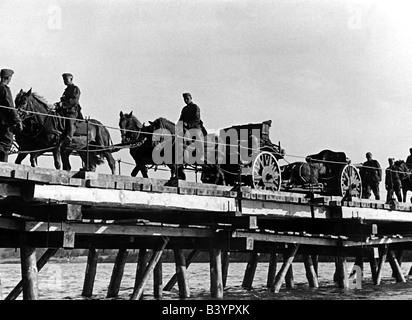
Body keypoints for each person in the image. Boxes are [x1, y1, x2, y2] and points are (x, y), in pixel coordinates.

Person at [0, 69, 23, 162]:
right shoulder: (5, 89)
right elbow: (10, 107)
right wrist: (18, 121)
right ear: (8, 77)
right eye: (10, 78)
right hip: (5, 123)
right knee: (5, 144)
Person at [56, 73, 83, 145]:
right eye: (63, 79)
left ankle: (69, 137)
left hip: (72, 111)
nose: (64, 81)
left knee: (69, 120)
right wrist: (58, 104)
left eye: (66, 79)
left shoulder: (75, 89)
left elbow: (74, 100)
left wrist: (63, 104)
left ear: (71, 79)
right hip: (64, 110)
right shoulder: (66, 90)